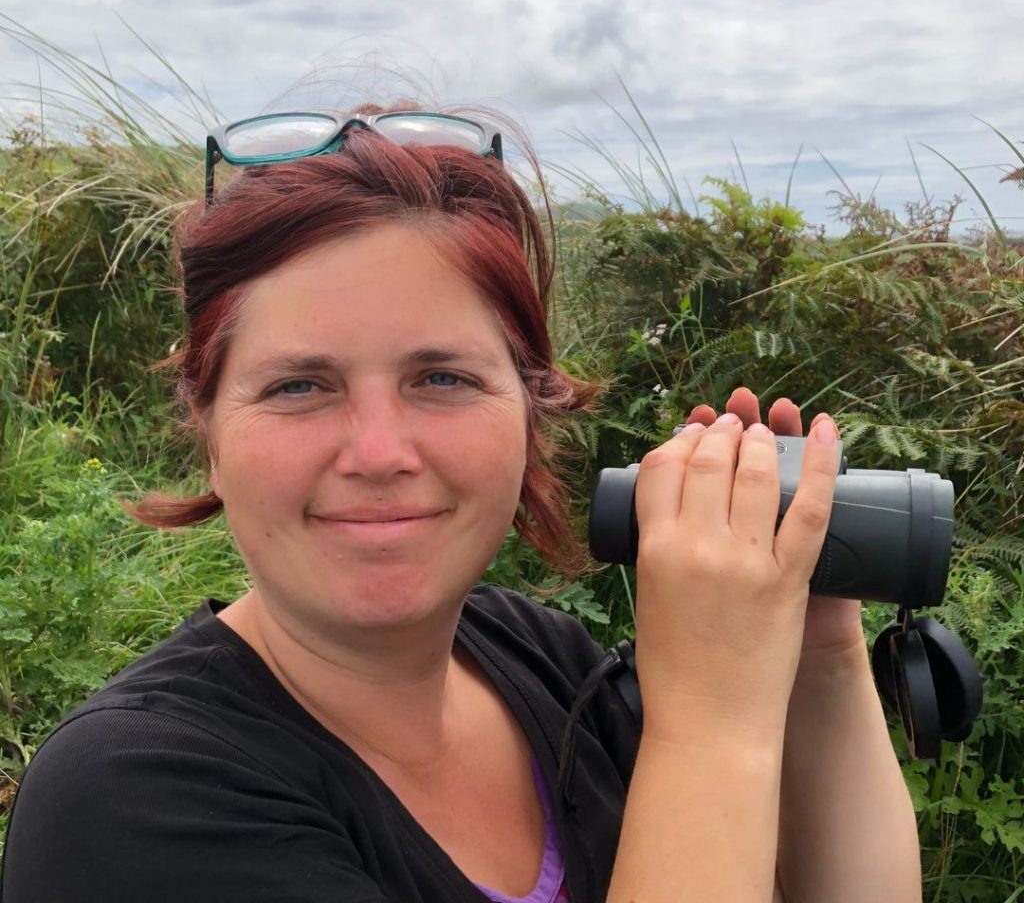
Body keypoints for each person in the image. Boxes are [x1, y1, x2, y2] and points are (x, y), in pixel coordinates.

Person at [0, 106, 921, 902]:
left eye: (440, 377)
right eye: (297, 388)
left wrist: (817, 654)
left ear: (533, 408)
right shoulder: (131, 799)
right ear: (205, 425)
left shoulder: (542, 660)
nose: (378, 453)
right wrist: (712, 717)